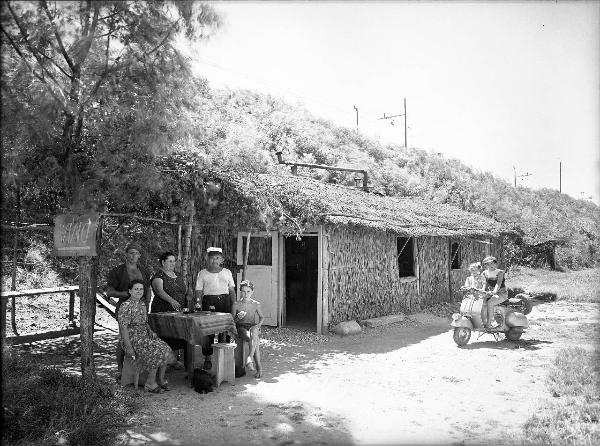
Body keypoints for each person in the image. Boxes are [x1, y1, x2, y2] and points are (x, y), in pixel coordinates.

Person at [106, 242, 152, 381]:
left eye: (136, 253)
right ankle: (120, 369)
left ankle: (137, 370)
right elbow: (109, 292)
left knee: (140, 337)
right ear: (126, 254)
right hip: (124, 308)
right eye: (131, 252)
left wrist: (147, 303)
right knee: (123, 339)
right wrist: (125, 294)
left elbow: (148, 289)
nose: (133, 255)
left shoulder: (143, 270)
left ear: (139, 255)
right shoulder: (118, 271)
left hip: (141, 308)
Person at [118, 279, 174, 393]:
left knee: (165, 348)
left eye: (141, 289)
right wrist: (129, 348)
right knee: (155, 352)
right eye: (136, 289)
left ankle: (161, 379)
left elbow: (145, 322)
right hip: (132, 338)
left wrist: (150, 331)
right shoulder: (125, 306)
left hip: (144, 336)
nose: (139, 291)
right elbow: (123, 329)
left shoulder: (142, 304)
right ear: (130, 291)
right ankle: (150, 383)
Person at [194, 247, 236, 370]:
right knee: (208, 332)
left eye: (217, 258)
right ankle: (208, 358)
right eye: (212, 258)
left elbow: (232, 289)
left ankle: (224, 357)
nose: (214, 260)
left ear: (222, 259)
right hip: (208, 302)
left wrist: (234, 305)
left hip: (225, 301)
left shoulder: (227, 272)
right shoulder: (202, 273)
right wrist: (198, 303)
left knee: (226, 329)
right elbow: (198, 290)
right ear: (207, 259)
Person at [150, 251, 189, 368]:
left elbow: (184, 290)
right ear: (163, 262)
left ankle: (174, 361)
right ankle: (163, 364)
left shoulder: (179, 275)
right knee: (165, 335)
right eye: (170, 261)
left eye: (174, 261)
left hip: (179, 311)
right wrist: (171, 301)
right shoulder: (158, 276)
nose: (173, 263)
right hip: (163, 310)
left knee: (177, 335)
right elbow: (159, 291)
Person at [232, 279, 264, 378]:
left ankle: (250, 359)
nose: (246, 294)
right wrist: (238, 317)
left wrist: (259, 325)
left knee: (254, 332)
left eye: (248, 291)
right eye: (243, 291)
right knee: (254, 340)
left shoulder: (256, 304)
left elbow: (262, 317)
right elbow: (232, 321)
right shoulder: (236, 304)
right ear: (240, 292)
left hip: (253, 326)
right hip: (241, 326)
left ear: (252, 292)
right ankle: (258, 367)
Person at [481, 256, 508, 328]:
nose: (490, 265)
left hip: (501, 293)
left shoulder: (499, 272)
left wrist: (494, 291)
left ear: (495, 264)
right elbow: (485, 284)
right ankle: (482, 321)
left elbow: (498, 284)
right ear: (485, 265)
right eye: (488, 264)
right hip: (490, 292)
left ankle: (489, 324)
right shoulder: (485, 273)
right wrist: (483, 290)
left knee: (490, 303)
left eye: (492, 263)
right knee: (482, 303)